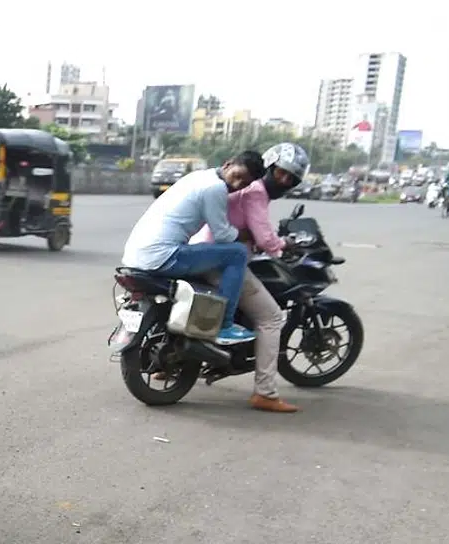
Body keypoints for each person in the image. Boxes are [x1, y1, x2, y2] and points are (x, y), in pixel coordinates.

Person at [192, 143, 309, 413]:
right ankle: (265, 392)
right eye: (280, 173)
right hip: (222, 260)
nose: (284, 181)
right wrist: (284, 245)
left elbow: (249, 229)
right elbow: (266, 238)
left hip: (201, 250)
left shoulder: (244, 188)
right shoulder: (256, 192)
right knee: (271, 318)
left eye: (291, 178)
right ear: (268, 167)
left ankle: (168, 367)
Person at [121, 151, 266, 343]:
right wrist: (249, 235)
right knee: (237, 253)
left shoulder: (197, 177)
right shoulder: (215, 188)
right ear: (228, 165)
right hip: (164, 256)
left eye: (245, 184)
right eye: (237, 177)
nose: (237, 185)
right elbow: (223, 235)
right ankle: (224, 325)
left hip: (135, 256)